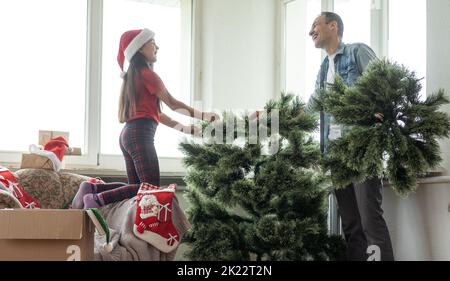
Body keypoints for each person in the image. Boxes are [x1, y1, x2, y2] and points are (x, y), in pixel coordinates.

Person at [72, 28, 219, 209]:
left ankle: (92, 189)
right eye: (153, 43)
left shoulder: (133, 78)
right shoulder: (148, 75)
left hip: (128, 135)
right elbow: (172, 103)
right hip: (140, 135)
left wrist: (186, 129)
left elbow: (156, 114)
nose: (157, 47)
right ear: (140, 48)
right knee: (150, 189)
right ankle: (96, 199)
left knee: (137, 189)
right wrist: (204, 116)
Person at [307, 12, 394, 261]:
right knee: (351, 226)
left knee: (370, 220)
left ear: (332, 26)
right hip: (336, 157)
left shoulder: (357, 52)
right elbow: (312, 107)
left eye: (315, 25)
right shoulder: (324, 67)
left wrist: (381, 111)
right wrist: (277, 118)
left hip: (361, 149)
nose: (310, 31)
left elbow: (383, 81)